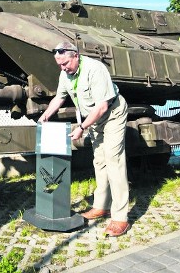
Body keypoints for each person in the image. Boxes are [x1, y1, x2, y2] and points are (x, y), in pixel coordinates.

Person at [38, 41, 130, 237]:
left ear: (76, 56)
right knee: (100, 161)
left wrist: (82, 127)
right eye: (60, 65)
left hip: (112, 114)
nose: (63, 68)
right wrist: (46, 114)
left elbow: (102, 107)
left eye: (66, 64)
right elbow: (60, 97)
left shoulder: (95, 69)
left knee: (114, 160)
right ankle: (101, 206)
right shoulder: (66, 73)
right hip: (95, 120)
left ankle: (120, 217)